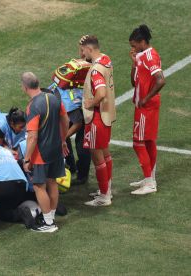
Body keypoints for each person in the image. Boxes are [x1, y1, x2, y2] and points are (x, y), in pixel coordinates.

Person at [21, 72, 69, 232]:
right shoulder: (54, 98)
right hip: (56, 149)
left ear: (24, 87)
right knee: (52, 182)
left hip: (41, 153)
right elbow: (65, 120)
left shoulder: (33, 106)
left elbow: (33, 136)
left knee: (39, 186)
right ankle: (51, 217)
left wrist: (27, 159)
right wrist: (63, 140)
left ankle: (49, 224)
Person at [79, 35, 116, 206]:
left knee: (97, 157)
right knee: (106, 154)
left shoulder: (95, 71)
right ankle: (107, 189)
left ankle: (104, 197)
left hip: (96, 118)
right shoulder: (106, 59)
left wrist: (90, 103)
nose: (81, 52)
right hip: (106, 116)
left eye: (83, 49)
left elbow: (100, 93)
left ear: (90, 49)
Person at [128, 25, 165, 195]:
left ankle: (149, 183)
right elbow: (134, 82)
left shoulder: (151, 56)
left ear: (143, 42)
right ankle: (150, 178)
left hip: (146, 107)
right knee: (149, 141)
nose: (132, 48)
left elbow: (160, 80)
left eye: (134, 45)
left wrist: (146, 98)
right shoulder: (142, 55)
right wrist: (134, 63)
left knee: (138, 143)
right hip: (143, 105)